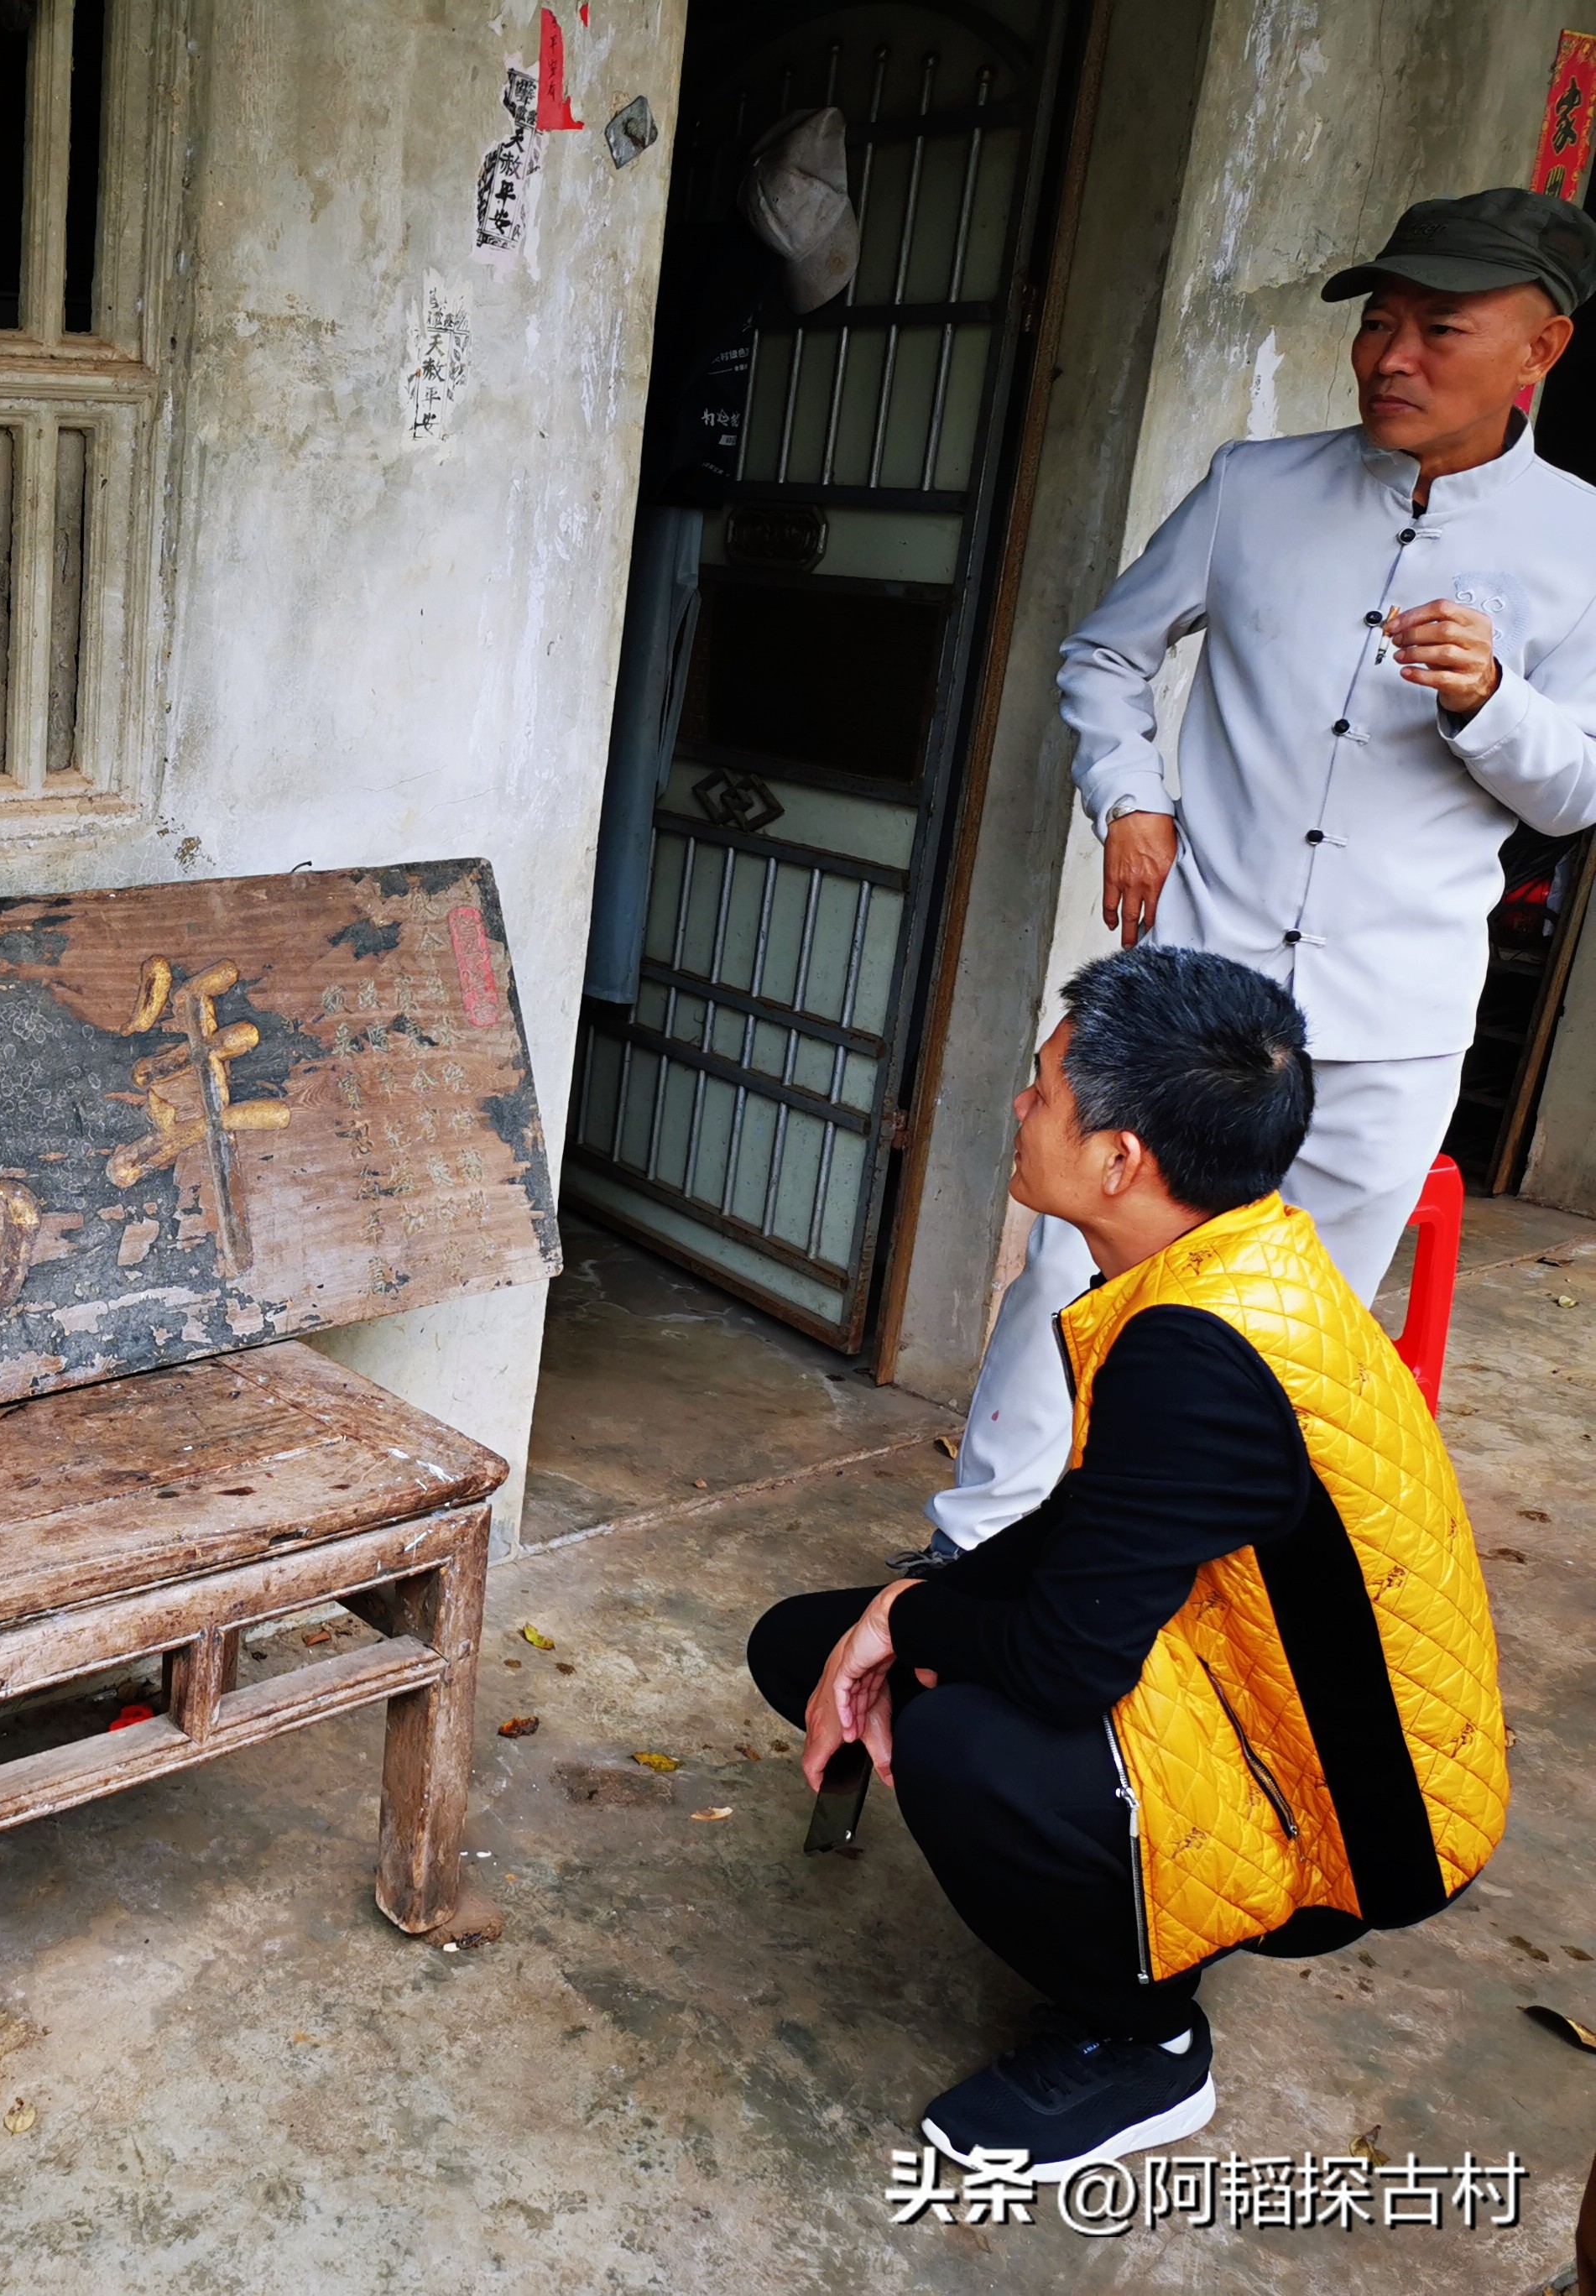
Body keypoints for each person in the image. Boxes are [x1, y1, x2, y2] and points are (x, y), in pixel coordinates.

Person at [916, 185, 1596, 1565]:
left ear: (1543, 349)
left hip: (1388, 1021)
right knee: (1072, 1274)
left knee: (1287, 1329)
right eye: (1380, 324)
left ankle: (1172, 1604)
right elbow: (1107, 654)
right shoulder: (1256, 488)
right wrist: (1132, 798)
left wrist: (1494, 706)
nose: (1390, 358)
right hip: (1191, 983)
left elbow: (1577, 790)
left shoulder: (1581, 543)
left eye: (1440, 330)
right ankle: (972, 1565)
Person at [751, 943, 1505, 2176]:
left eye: (1044, 1090)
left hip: (1357, 1815)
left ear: (1119, 1159)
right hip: (1262, 1693)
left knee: (959, 1737)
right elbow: (1104, 1520)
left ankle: (1142, 2042)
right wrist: (902, 1611)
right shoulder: (1237, 1257)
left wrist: (908, 1626)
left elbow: (1063, 1664)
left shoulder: (1196, 1351)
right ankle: (1133, 1891)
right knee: (807, 1644)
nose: (1021, 1108)